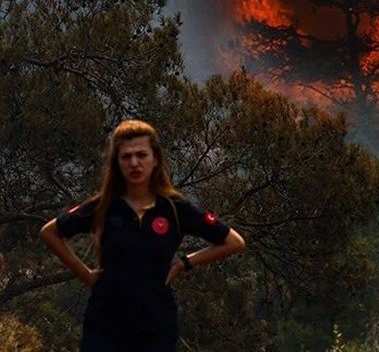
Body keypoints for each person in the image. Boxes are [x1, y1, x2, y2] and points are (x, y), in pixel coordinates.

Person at [40, 120, 246, 351]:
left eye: (141, 154)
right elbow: (50, 232)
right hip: (105, 324)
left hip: (155, 326)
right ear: (117, 163)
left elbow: (233, 242)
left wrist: (183, 263)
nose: (134, 163)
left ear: (155, 159)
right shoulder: (104, 206)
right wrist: (86, 275)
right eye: (126, 157)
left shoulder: (175, 208)